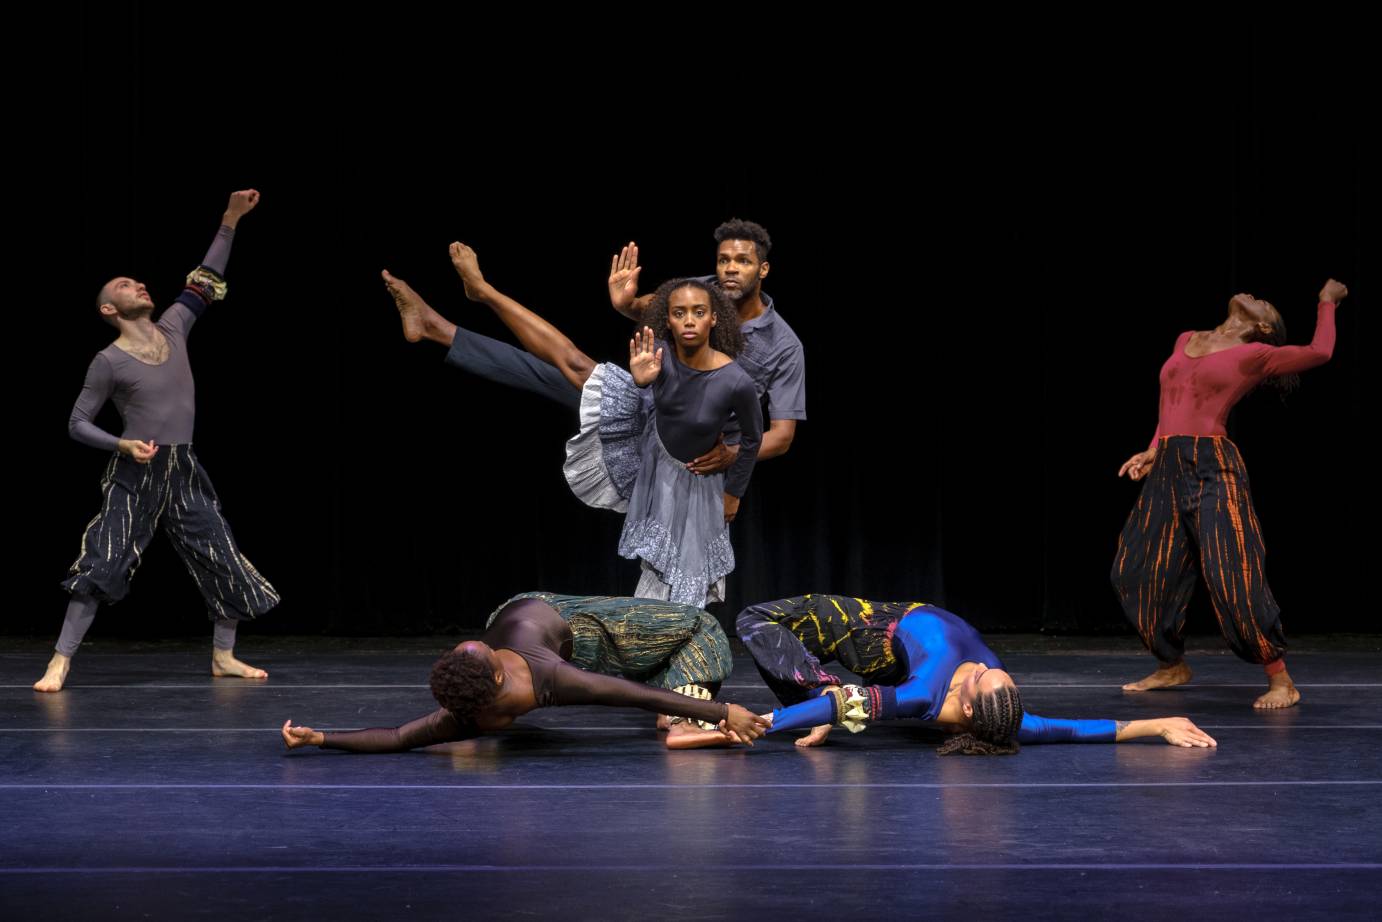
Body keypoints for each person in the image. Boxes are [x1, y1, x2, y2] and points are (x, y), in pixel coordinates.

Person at [34, 190, 279, 693]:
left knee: (221, 554)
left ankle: (224, 656)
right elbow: (77, 423)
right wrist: (121, 446)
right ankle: (60, 662)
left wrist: (230, 219)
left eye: (139, 281)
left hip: (183, 467)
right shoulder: (108, 361)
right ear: (109, 307)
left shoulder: (174, 326)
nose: (139, 285)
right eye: (126, 284)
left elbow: (205, 280)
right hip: (136, 470)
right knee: (104, 558)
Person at [1111, 280, 1348, 709]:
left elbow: (1321, 351)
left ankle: (1281, 679)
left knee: (1231, 569)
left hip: (1212, 466)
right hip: (1168, 463)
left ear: (1262, 327)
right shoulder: (1187, 338)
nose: (1258, 295)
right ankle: (1171, 664)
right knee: (1135, 568)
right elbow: (1171, 401)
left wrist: (1326, 303)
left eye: (1265, 304)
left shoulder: (1256, 355)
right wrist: (1154, 448)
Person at [282, 592, 769, 752]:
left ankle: (681, 712)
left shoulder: (471, 713)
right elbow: (395, 736)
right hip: (553, 632)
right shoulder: (544, 684)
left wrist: (721, 710)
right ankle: (682, 718)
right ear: (494, 680)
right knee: (703, 625)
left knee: (675, 635)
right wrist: (321, 738)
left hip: (550, 614)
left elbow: (631, 692)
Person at [738, 595, 1217, 753]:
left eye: (983, 677)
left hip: (880, 630)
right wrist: (1158, 725)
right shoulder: (1012, 719)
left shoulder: (923, 696)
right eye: (1002, 674)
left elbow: (843, 704)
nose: (987, 666)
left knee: (754, 619)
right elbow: (1077, 729)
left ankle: (816, 686)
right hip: (903, 641)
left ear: (967, 706)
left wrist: (763, 722)